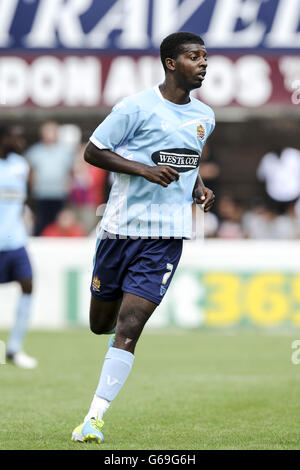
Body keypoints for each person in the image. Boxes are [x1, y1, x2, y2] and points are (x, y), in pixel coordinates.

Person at [71, 32, 215, 444]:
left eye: (205, 57)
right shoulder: (134, 107)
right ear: (171, 63)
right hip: (119, 232)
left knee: (131, 325)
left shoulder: (205, 116)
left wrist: (197, 187)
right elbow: (94, 151)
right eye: (194, 56)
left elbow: (188, 160)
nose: (203, 63)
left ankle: (93, 419)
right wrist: (142, 169)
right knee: (102, 324)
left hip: (165, 237)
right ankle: (114, 330)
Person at [0, 125, 37, 369]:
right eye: (16, 136)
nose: (21, 141)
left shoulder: (21, 165)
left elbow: (25, 198)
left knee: (28, 285)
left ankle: (14, 348)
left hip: (15, 241)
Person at [25, 121, 74, 235]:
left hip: (59, 194)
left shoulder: (65, 151)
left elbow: (71, 172)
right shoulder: (35, 151)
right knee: (41, 223)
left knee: (59, 224)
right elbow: (30, 172)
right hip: (41, 194)